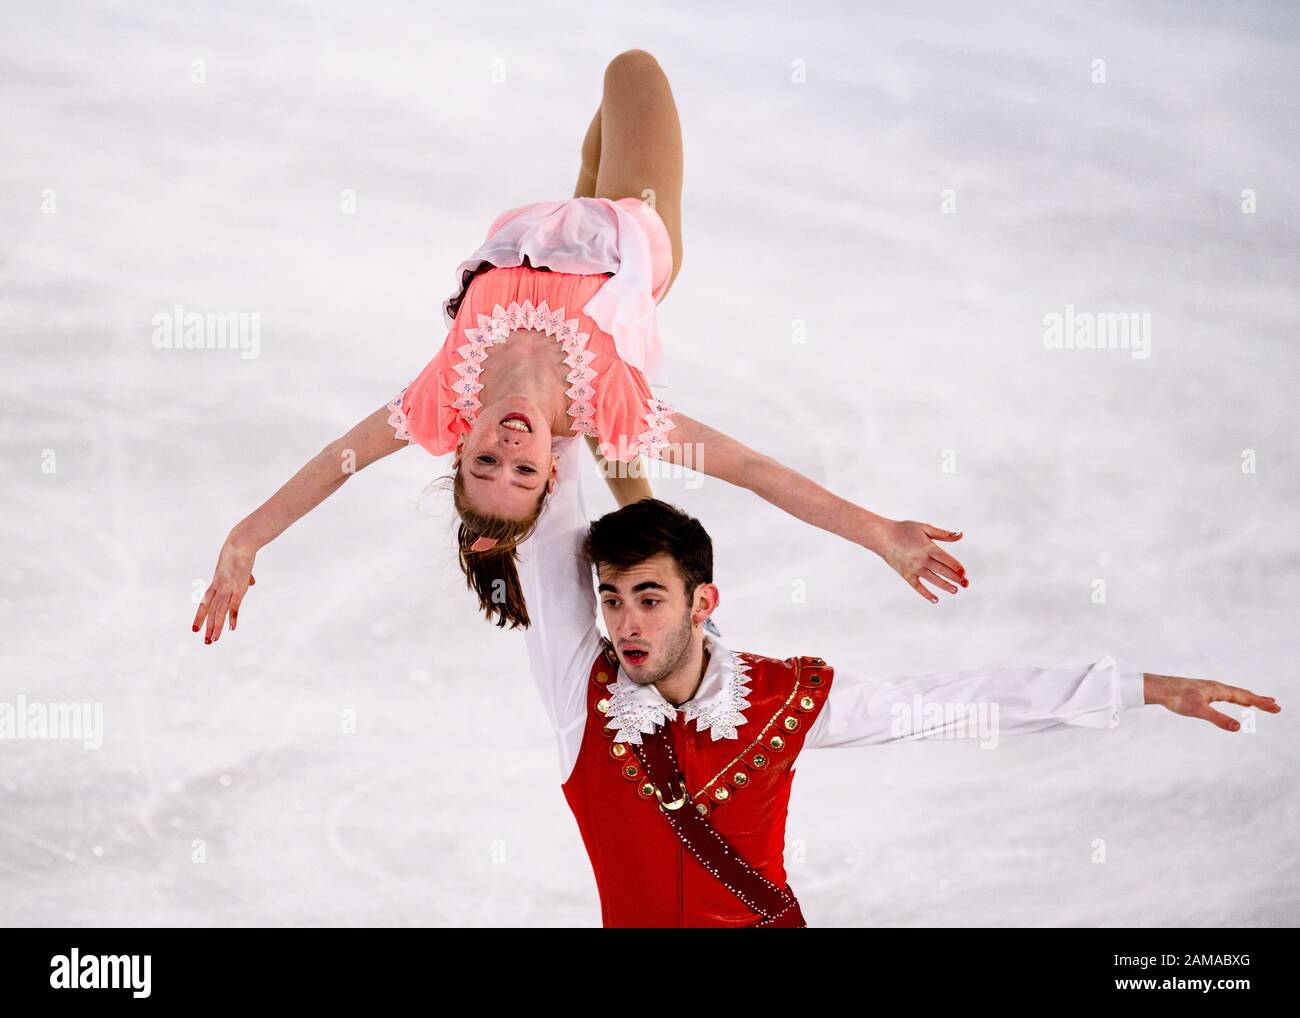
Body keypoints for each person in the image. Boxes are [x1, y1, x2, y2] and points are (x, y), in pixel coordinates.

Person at [193, 49, 969, 642]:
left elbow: (339, 461)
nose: (508, 444)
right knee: (631, 70)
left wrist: (245, 536)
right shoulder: (610, 403)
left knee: (595, 134)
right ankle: (643, 510)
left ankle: (637, 504)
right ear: (551, 468)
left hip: (552, 228)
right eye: (525, 469)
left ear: (456, 450)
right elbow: (753, 470)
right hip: (629, 230)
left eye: (485, 461)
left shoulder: (440, 401)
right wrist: (878, 533)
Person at [515, 437, 1281, 927]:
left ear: (704, 602)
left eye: (649, 600)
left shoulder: (783, 702)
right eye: (611, 600)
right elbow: (545, 512)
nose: (624, 625)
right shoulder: (580, 690)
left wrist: (1144, 687)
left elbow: (957, 703)